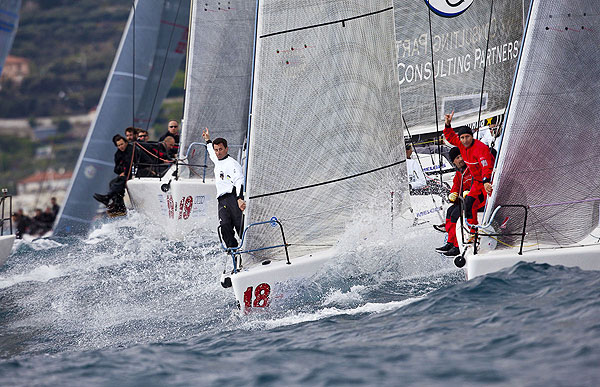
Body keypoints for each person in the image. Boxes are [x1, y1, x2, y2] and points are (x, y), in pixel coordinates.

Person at [443, 111, 494, 241]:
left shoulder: (480, 148)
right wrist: (448, 124)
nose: (465, 140)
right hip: (477, 182)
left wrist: (486, 181)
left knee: (487, 204)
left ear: (472, 137)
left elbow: (486, 167)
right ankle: (473, 232)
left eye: (467, 137)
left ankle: (494, 228)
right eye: (462, 138)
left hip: (487, 181)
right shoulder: (460, 144)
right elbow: (449, 137)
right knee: (469, 202)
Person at [435, 147, 484, 256]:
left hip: (477, 202)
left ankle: (457, 246)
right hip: (466, 202)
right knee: (450, 211)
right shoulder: (458, 175)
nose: (461, 159)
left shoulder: (472, 169)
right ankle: (450, 242)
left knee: (456, 213)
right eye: (457, 158)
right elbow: (455, 189)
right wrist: (452, 196)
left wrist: (470, 193)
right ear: (453, 162)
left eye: (461, 156)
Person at [202, 127, 246, 248]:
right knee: (225, 227)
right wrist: (207, 140)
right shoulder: (216, 159)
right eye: (216, 150)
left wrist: (239, 198)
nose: (218, 152)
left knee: (240, 226)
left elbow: (239, 181)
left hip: (233, 198)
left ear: (226, 149)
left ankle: (250, 249)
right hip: (221, 201)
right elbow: (210, 151)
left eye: (220, 149)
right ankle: (233, 252)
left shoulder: (232, 164)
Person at [93, 134, 133, 214]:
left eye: (122, 144)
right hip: (125, 174)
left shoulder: (131, 149)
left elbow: (130, 163)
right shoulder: (118, 154)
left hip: (133, 173)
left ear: (126, 143)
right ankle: (118, 206)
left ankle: (107, 198)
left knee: (121, 181)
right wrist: (122, 171)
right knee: (112, 183)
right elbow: (116, 169)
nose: (121, 147)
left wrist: (125, 172)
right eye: (118, 145)